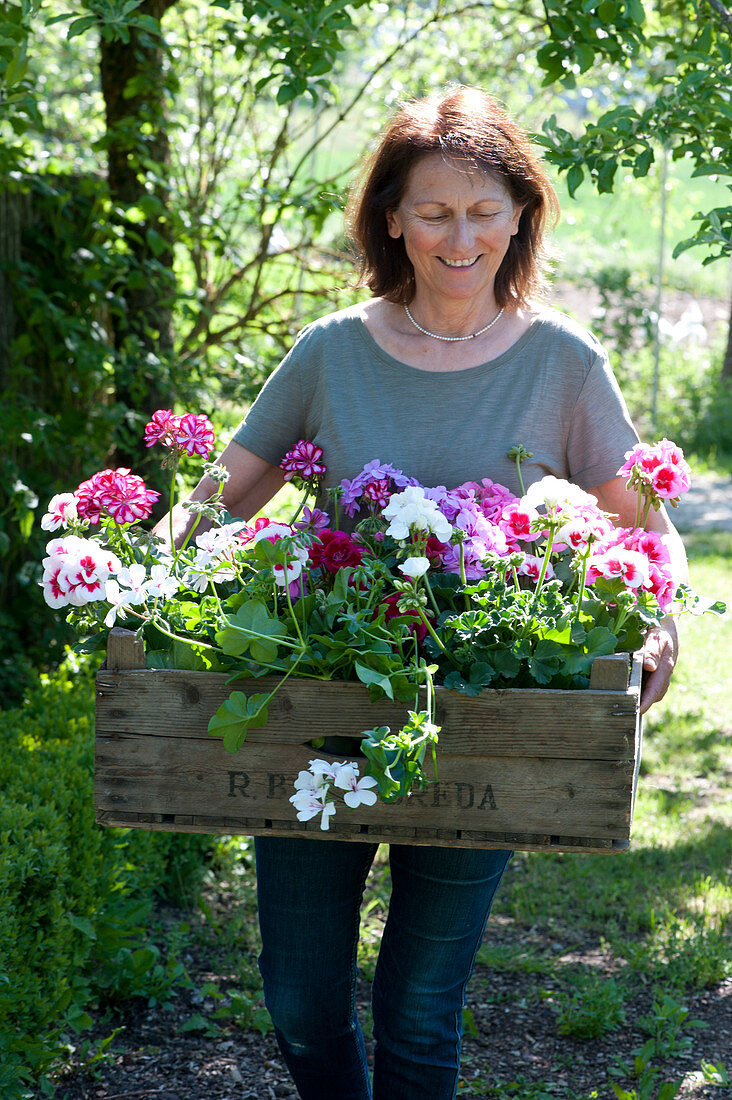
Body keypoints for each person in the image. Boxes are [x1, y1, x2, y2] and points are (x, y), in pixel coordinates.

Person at [160, 86, 687, 1100]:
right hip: (322, 705)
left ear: (522, 214)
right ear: (391, 217)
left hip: (482, 709)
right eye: (434, 210)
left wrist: (659, 626)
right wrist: (145, 574)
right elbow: (221, 492)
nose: (461, 236)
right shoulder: (331, 351)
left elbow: (646, 532)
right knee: (301, 999)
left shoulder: (563, 362)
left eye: (485, 209)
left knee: (420, 1005)